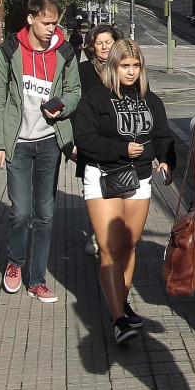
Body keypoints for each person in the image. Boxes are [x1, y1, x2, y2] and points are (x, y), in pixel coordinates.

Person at [73, 39, 175, 344]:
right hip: (103, 177)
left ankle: (121, 302)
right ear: (113, 66)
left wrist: (167, 162)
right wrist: (120, 149)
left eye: (135, 65)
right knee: (109, 249)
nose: (130, 72)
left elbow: (163, 136)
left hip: (140, 179)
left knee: (128, 247)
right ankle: (118, 319)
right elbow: (84, 138)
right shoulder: (95, 99)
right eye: (124, 65)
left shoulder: (151, 100)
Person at [0, 0, 81, 303]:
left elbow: (74, 91)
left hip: (49, 142)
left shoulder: (65, 52)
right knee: (20, 211)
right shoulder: (8, 50)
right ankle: (15, 262)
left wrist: (61, 106)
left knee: (45, 214)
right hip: (18, 144)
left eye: (56, 22)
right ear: (31, 19)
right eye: (47, 22)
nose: (53, 28)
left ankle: (37, 279)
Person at [78, 22, 123, 257]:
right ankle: (96, 232)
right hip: (92, 139)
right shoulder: (84, 71)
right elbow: (77, 105)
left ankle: (114, 232)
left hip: (119, 140)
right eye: (99, 43)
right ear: (92, 47)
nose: (105, 47)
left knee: (119, 188)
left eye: (108, 42)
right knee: (94, 189)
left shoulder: (125, 68)